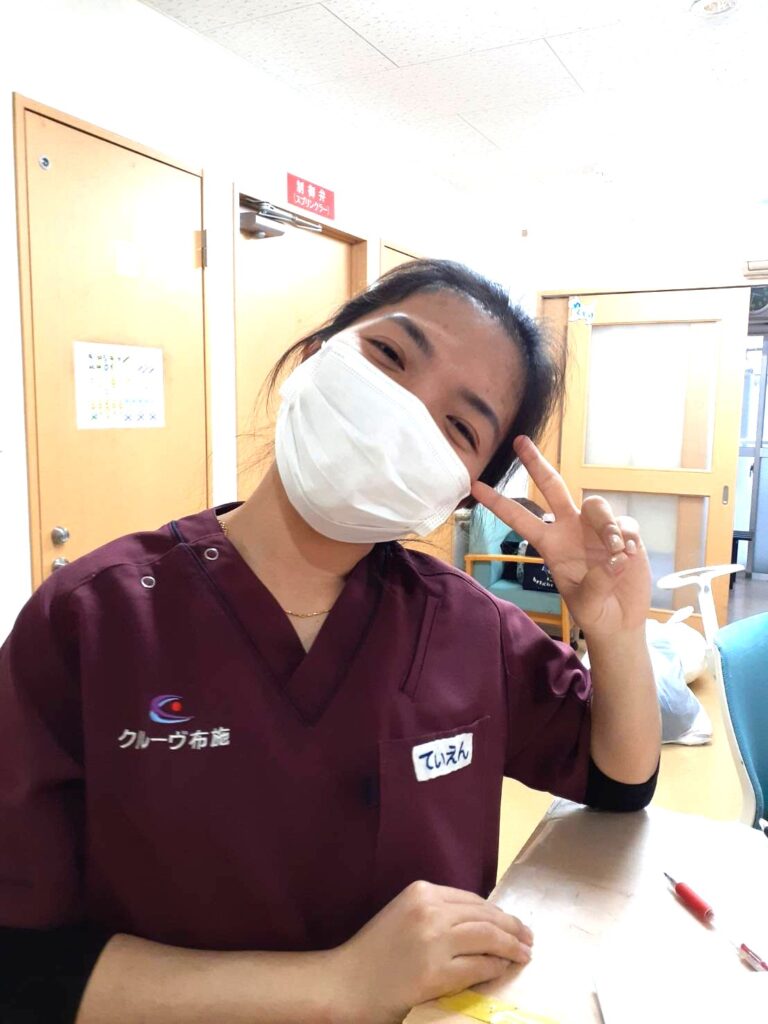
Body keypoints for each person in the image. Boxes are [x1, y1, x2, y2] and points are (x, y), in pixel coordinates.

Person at [0, 260, 660, 1024]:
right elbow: (23, 969)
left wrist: (616, 630)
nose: (401, 412)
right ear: (317, 354)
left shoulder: (467, 628)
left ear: (466, 487)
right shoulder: (91, 621)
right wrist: (339, 985)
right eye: (390, 355)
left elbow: (620, 778)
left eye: (459, 427)